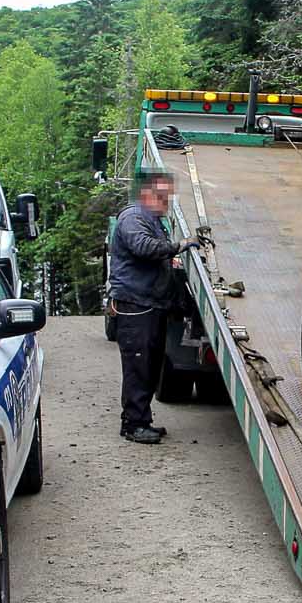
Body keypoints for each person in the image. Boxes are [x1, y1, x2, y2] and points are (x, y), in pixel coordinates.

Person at [109, 172, 198, 444]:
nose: (166, 202)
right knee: (138, 365)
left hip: (149, 304)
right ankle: (133, 425)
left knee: (149, 364)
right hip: (136, 306)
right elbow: (144, 247)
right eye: (161, 197)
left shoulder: (150, 220)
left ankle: (141, 419)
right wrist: (179, 246)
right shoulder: (134, 218)